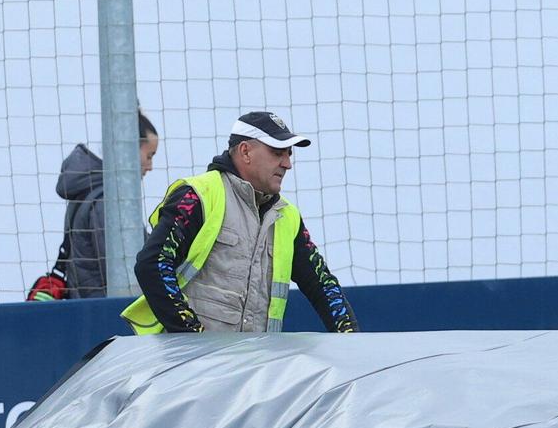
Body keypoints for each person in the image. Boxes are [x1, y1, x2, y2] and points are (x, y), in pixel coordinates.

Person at [122, 110, 358, 335]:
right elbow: (152, 264)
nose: (287, 164)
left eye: (289, 154)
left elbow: (324, 286)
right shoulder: (198, 195)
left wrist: (350, 341)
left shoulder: (288, 217)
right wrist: (193, 338)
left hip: (254, 369)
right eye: (278, 153)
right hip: (190, 369)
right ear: (245, 152)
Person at [28, 113, 161, 300]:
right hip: (109, 315)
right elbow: (129, 271)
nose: (150, 166)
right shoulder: (107, 202)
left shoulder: (89, 189)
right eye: (149, 155)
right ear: (128, 150)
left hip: (89, 309)